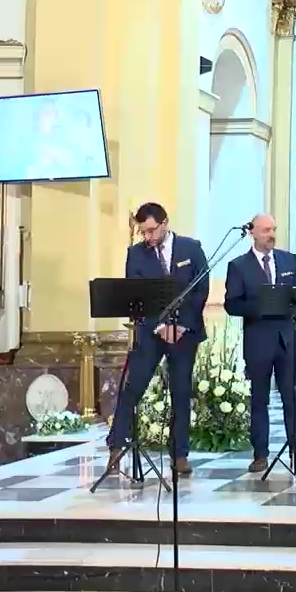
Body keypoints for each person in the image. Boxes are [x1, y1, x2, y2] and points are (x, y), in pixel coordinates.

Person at [103, 203, 209, 479]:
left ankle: (180, 455)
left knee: (181, 393)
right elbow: (136, 295)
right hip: (151, 334)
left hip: (185, 334)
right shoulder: (135, 254)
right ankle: (116, 447)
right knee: (132, 389)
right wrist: (161, 326)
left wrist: (182, 325)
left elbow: (200, 289)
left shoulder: (191, 248)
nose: (148, 237)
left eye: (151, 230)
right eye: (143, 232)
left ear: (165, 223)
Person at [223, 214, 296, 473]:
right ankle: (260, 454)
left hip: (286, 340)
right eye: (266, 230)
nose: (271, 234)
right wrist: (262, 305)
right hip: (258, 341)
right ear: (253, 233)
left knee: (291, 397)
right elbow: (232, 304)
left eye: (274, 229)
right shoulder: (238, 266)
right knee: (259, 400)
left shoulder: (289, 260)